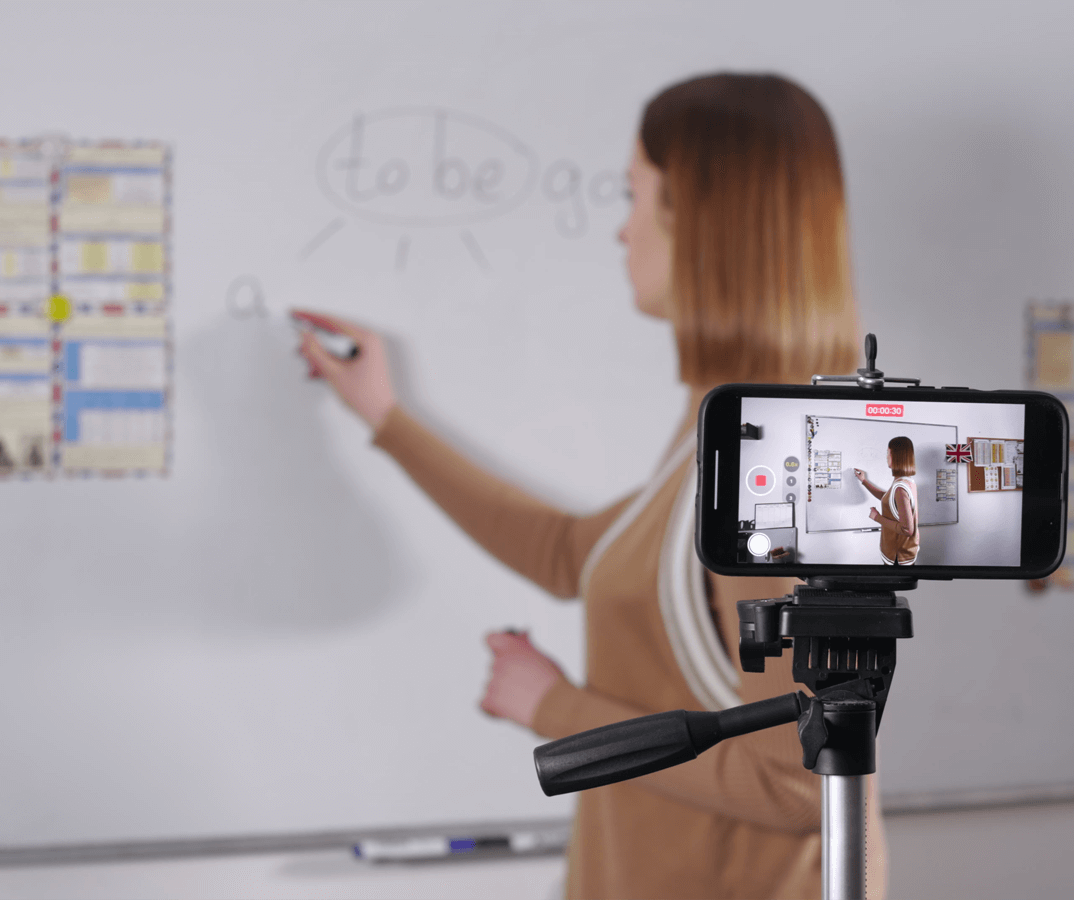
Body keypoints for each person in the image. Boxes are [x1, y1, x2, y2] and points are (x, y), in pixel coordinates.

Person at [296, 72, 887, 900]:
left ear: (700, 218)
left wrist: (555, 708)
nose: (621, 231)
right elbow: (578, 555)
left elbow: (800, 786)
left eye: (633, 197)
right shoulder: (717, 435)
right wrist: (388, 419)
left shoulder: (784, 461)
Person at [853, 437, 920, 565]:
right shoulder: (906, 481)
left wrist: (877, 517)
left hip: (898, 557)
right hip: (901, 553)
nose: (886, 457)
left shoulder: (900, 488)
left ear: (896, 456)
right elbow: (887, 498)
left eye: (888, 453)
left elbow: (907, 529)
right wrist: (864, 481)